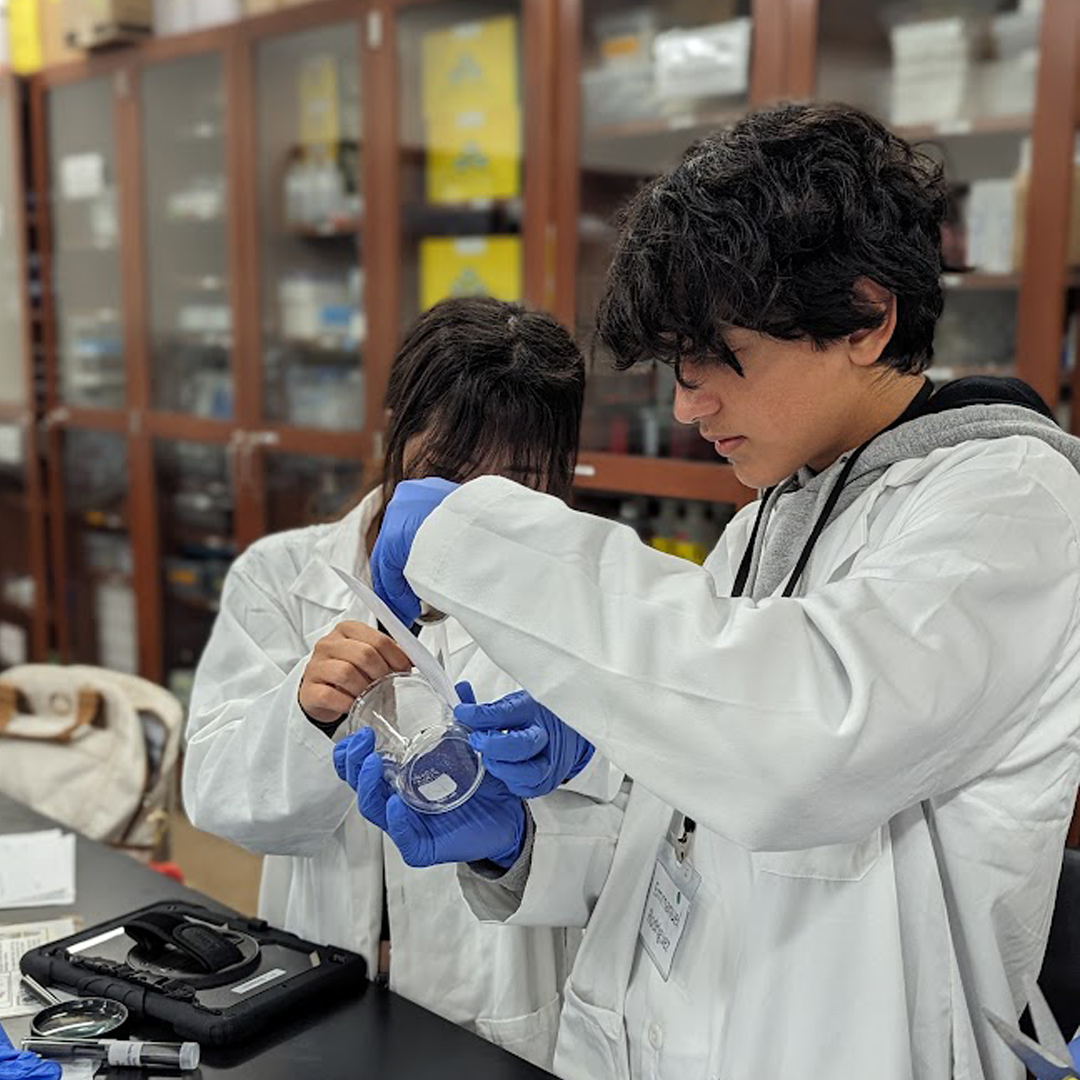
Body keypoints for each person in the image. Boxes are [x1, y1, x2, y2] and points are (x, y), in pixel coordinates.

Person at [343, 103, 1080, 1079]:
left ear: (866, 317)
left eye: (715, 359)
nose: (687, 405)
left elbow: (801, 749)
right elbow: (690, 855)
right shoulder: (769, 520)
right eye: (675, 368)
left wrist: (475, 532)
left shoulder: (1011, 502)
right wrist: (517, 841)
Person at [183, 296, 621, 1068]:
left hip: (497, 1015)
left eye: (516, 485)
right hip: (316, 988)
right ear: (396, 432)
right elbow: (216, 798)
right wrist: (306, 717)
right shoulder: (280, 578)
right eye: (445, 474)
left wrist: (518, 836)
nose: (468, 514)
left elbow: (637, 850)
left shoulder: (598, 604)